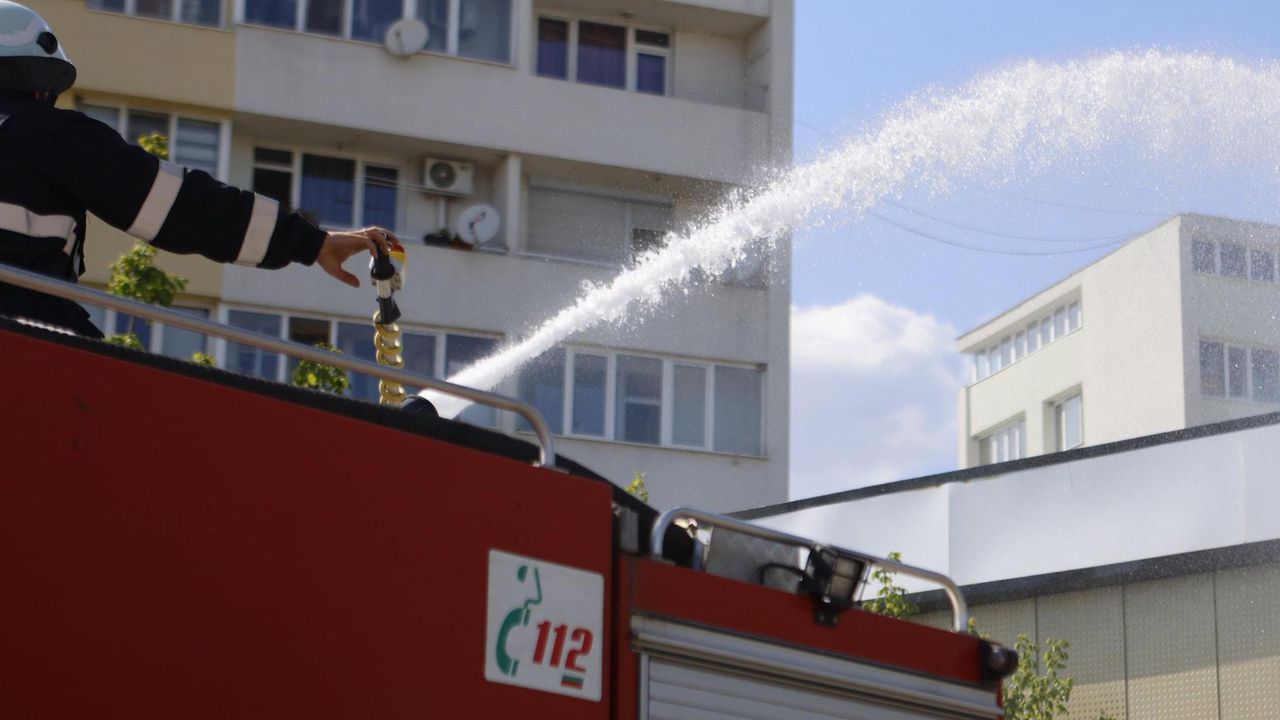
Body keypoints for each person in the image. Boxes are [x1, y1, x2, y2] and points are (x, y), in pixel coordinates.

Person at [0, 1, 395, 338]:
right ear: (34, 84)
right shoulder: (44, 134)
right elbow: (177, 207)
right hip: (25, 342)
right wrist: (312, 243)